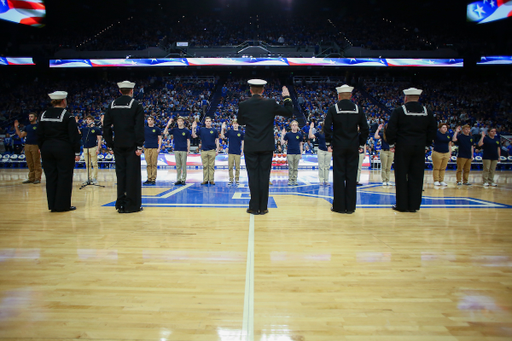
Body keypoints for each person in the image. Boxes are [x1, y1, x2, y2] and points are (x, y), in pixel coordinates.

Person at [237, 79, 293, 215]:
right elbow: (289, 112)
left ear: (250, 90)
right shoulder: (270, 103)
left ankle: (253, 206)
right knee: (264, 176)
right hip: (266, 145)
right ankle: (263, 207)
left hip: (250, 145)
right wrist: (287, 97)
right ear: (263, 90)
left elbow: (240, 121)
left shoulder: (244, 104)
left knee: (253, 176)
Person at [386, 87, 437, 212]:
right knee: (417, 176)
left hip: (403, 146)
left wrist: (392, 144)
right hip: (419, 147)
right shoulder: (427, 111)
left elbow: (391, 129)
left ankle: (402, 205)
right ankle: (414, 205)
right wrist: (427, 145)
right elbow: (432, 129)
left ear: (406, 98)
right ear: (418, 98)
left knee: (402, 176)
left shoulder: (399, 111)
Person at [324, 84, 369, 214]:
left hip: (339, 146)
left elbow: (327, 128)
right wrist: (361, 144)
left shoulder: (334, 109)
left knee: (338, 175)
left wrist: (329, 143)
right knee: (351, 175)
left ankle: (338, 206)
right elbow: (365, 128)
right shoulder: (357, 109)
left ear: (339, 96)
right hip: (353, 146)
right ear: (350, 96)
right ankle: (350, 207)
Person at [103, 80, 145, 213]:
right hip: (132, 145)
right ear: (132, 91)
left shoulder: (112, 105)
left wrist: (110, 143)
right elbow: (138, 127)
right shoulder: (136, 105)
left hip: (118, 145)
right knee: (132, 175)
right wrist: (139, 145)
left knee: (120, 175)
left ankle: (120, 203)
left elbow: (106, 126)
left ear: (120, 91)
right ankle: (132, 205)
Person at [37, 91, 81, 212]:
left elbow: (39, 134)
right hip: (63, 149)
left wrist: (41, 148)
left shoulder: (43, 115)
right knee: (64, 176)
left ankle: (52, 204)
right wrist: (77, 152)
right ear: (63, 101)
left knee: (50, 176)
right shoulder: (68, 116)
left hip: (47, 148)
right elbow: (74, 137)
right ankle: (63, 205)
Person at [14, 112, 42, 184]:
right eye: (29, 116)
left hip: (35, 145)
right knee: (29, 162)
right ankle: (31, 178)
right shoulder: (27, 127)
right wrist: (16, 127)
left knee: (36, 162)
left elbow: (42, 137)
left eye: (32, 116)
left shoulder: (39, 126)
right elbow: (20, 135)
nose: (30, 118)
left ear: (35, 118)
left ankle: (37, 178)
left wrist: (40, 147)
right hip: (27, 145)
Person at [192, 117, 219, 185]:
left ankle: (211, 180)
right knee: (205, 166)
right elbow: (194, 136)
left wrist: (217, 150)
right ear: (205, 122)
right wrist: (193, 128)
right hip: (204, 150)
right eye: (207, 121)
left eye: (209, 121)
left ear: (211, 122)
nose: (208, 122)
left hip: (212, 150)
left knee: (211, 166)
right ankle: (205, 180)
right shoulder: (202, 130)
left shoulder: (214, 130)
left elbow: (217, 140)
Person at [164, 116, 191, 185]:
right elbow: (165, 132)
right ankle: (178, 179)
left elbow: (188, 140)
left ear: (183, 122)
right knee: (178, 165)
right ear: (177, 122)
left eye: (181, 121)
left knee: (184, 165)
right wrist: (168, 124)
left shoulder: (186, 131)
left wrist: (188, 150)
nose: (179, 122)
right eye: (178, 121)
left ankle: (183, 179)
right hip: (176, 149)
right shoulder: (174, 130)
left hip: (184, 149)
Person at [79, 115, 102, 185]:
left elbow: (99, 139)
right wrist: (75, 123)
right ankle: (88, 178)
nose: (88, 120)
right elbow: (77, 132)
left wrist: (98, 148)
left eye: (89, 119)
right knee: (87, 164)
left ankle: (94, 178)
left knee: (94, 164)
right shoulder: (84, 129)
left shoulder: (96, 129)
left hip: (93, 147)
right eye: (87, 119)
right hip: (85, 148)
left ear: (92, 121)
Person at [221, 119, 244, 186]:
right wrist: (222, 129)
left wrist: (242, 150)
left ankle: (237, 179)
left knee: (237, 167)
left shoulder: (241, 133)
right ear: (232, 124)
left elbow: (243, 142)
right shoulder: (230, 131)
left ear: (238, 124)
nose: (235, 125)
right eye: (234, 123)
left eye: (236, 123)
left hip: (237, 152)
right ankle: (231, 179)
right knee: (230, 166)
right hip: (230, 152)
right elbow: (222, 136)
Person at [281, 120, 303, 186]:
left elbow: (301, 144)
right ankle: (290, 180)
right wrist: (282, 135)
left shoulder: (299, 135)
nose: (294, 126)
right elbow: (282, 143)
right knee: (291, 167)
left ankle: (295, 179)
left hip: (297, 153)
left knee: (295, 168)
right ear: (291, 126)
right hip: (290, 153)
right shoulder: (288, 134)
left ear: (297, 126)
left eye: (295, 125)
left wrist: (301, 153)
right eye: (293, 125)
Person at [309, 121, 331, 186]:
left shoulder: (331, 133)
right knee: (321, 166)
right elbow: (310, 136)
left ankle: (326, 180)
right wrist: (311, 128)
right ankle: (321, 180)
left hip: (329, 151)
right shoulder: (319, 133)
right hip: (321, 150)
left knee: (327, 166)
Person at [143, 116, 162, 186]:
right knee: (148, 164)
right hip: (146, 148)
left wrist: (159, 148)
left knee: (154, 164)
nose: (150, 121)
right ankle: (149, 178)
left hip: (154, 148)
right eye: (148, 119)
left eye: (151, 119)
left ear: (154, 121)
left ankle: (153, 178)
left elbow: (160, 138)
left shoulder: (157, 129)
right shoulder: (144, 129)